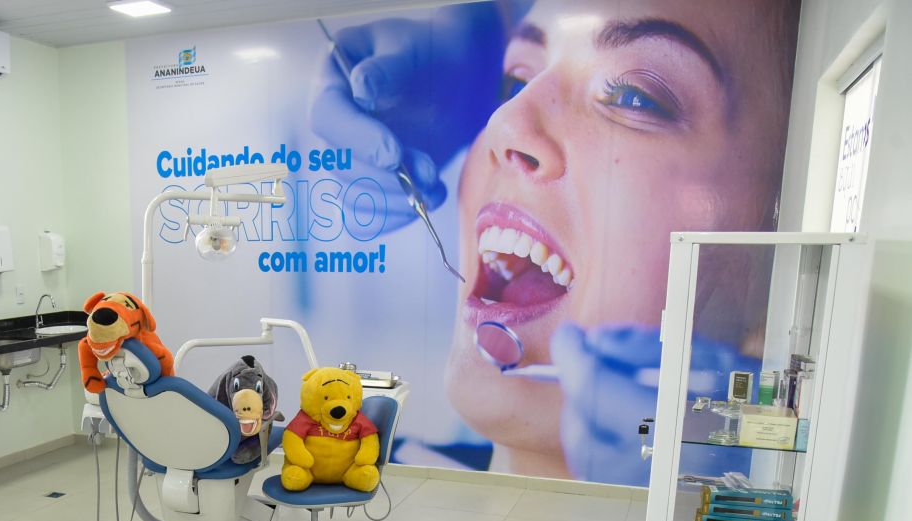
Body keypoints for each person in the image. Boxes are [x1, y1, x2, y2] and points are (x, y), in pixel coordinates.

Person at [313, 0, 799, 485]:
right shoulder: (350, 473)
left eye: (634, 96)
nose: (505, 123)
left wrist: (703, 504)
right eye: (515, 83)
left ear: (772, 278)